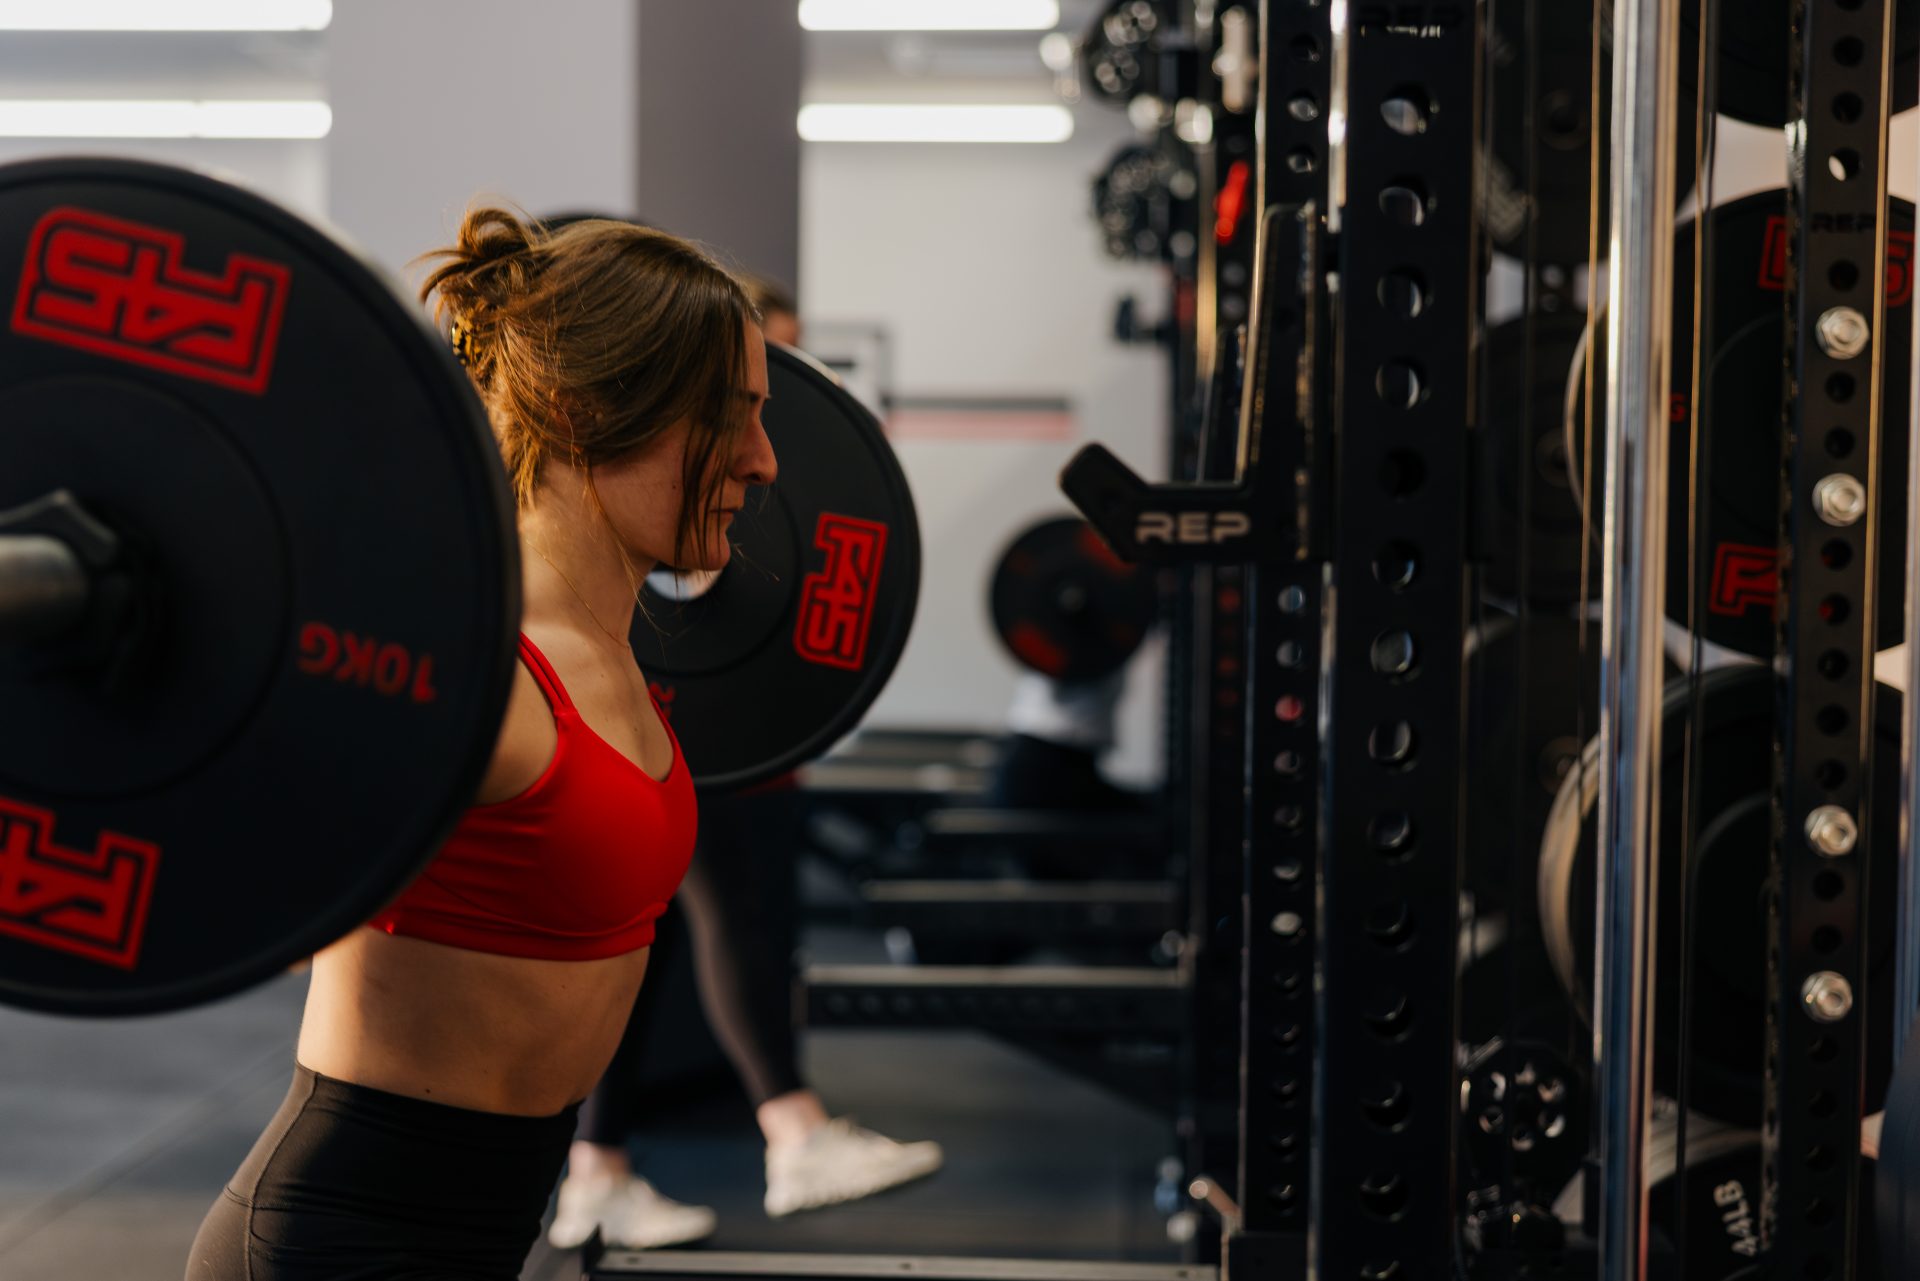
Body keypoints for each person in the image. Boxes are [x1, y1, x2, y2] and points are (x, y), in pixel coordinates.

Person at [186, 208, 775, 1281]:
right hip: (338, 1244)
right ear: (582, 410)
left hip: (486, 1230)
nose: (764, 462)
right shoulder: (473, 674)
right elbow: (250, 854)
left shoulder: (614, 657)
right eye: (727, 419)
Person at [544, 270, 943, 1253]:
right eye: (759, 380)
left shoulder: (745, 491)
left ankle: (601, 1168)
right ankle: (786, 1129)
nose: (767, 440)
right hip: (691, 742)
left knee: (663, 937)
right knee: (724, 917)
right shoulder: (602, 551)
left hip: (719, 737)